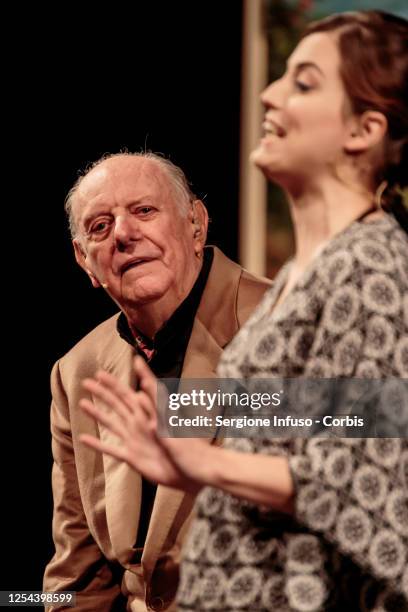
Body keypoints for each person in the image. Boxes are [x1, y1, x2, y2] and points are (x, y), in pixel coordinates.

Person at [79, 11, 408, 611]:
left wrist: (201, 459)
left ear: (363, 130)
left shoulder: (369, 267)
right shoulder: (305, 281)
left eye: (304, 82)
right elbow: (70, 583)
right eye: (101, 226)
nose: (268, 92)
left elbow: (369, 475)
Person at [43, 152, 271, 611]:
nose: (124, 235)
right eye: (100, 226)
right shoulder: (77, 370)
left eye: (144, 211)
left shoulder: (291, 329)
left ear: (195, 225)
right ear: (84, 260)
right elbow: (77, 580)